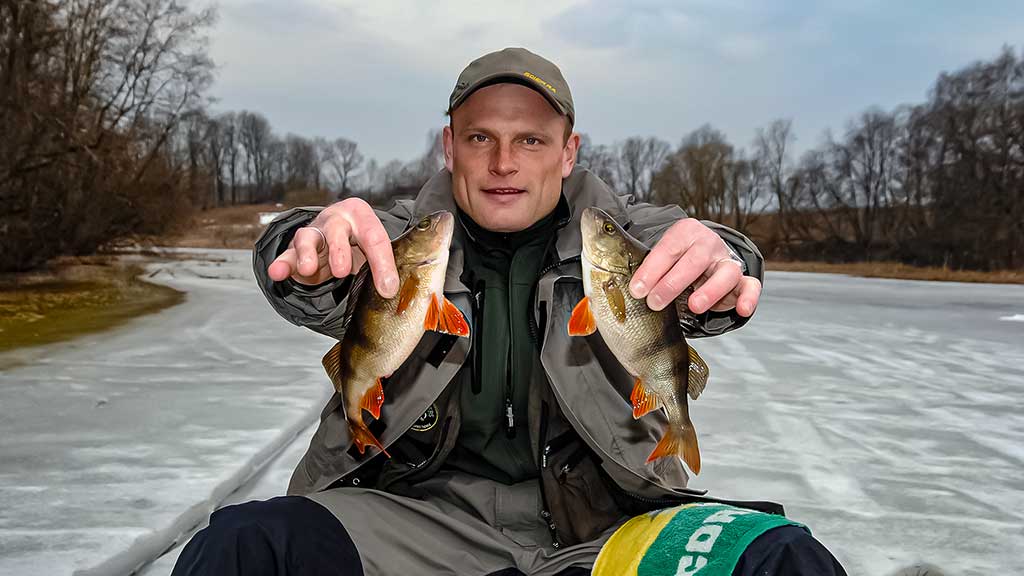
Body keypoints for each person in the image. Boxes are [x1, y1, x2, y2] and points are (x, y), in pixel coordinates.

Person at [172, 47, 846, 576]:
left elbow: (702, 249)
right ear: (449, 146)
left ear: (568, 151)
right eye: (480, 138)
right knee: (246, 543)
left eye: (529, 140)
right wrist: (305, 249)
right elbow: (313, 267)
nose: (502, 163)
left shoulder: (626, 241)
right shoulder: (406, 242)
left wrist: (725, 262)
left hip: (610, 530)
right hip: (419, 528)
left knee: (780, 557)